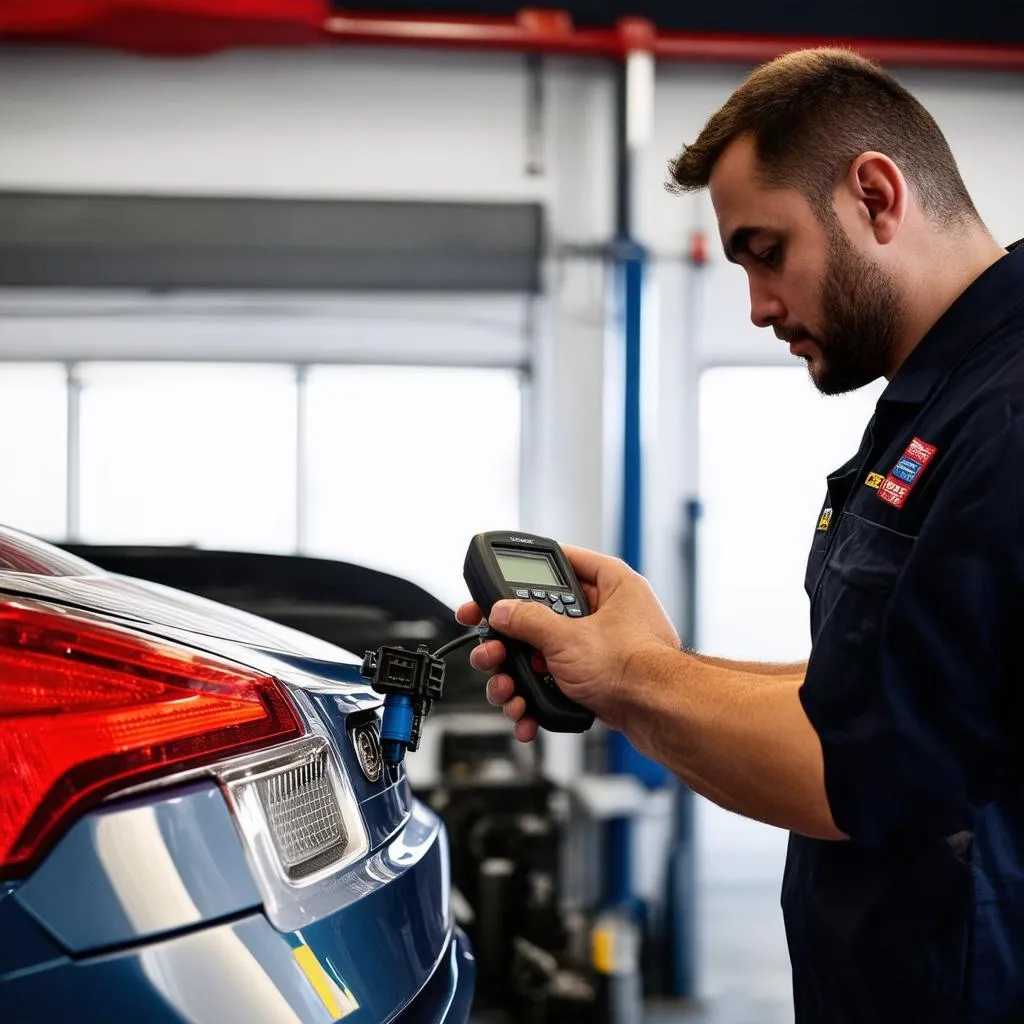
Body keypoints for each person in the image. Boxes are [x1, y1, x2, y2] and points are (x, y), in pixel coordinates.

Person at [457, 48, 1024, 1022]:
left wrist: (632, 681)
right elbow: (859, 699)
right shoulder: (934, 408)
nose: (758, 306)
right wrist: (638, 669)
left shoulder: (1006, 416)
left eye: (766, 251)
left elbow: (873, 767)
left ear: (876, 197)